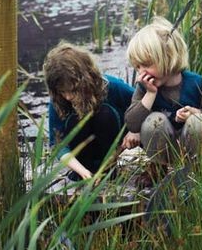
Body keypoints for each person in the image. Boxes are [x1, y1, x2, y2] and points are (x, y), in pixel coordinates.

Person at [125, 16, 202, 181]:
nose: (141, 73)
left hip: (191, 144)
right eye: (137, 67)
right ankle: (158, 166)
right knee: (154, 120)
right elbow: (132, 123)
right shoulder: (144, 88)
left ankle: (199, 166)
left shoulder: (197, 84)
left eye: (147, 64)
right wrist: (150, 95)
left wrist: (196, 113)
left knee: (199, 121)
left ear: (169, 58)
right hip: (163, 148)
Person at [44, 42, 138, 180]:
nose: (68, 97)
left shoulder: (113, 87)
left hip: (112, 147)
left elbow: (142, 106)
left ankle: (108, 168)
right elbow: (58, 145)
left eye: (73, 90)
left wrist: (134, 131)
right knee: (76, 120)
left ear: (87, 80)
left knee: (104, 113)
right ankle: (86, 171)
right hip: (81, 162)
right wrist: (82, 171)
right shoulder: (58, 101)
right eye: (63, 91)